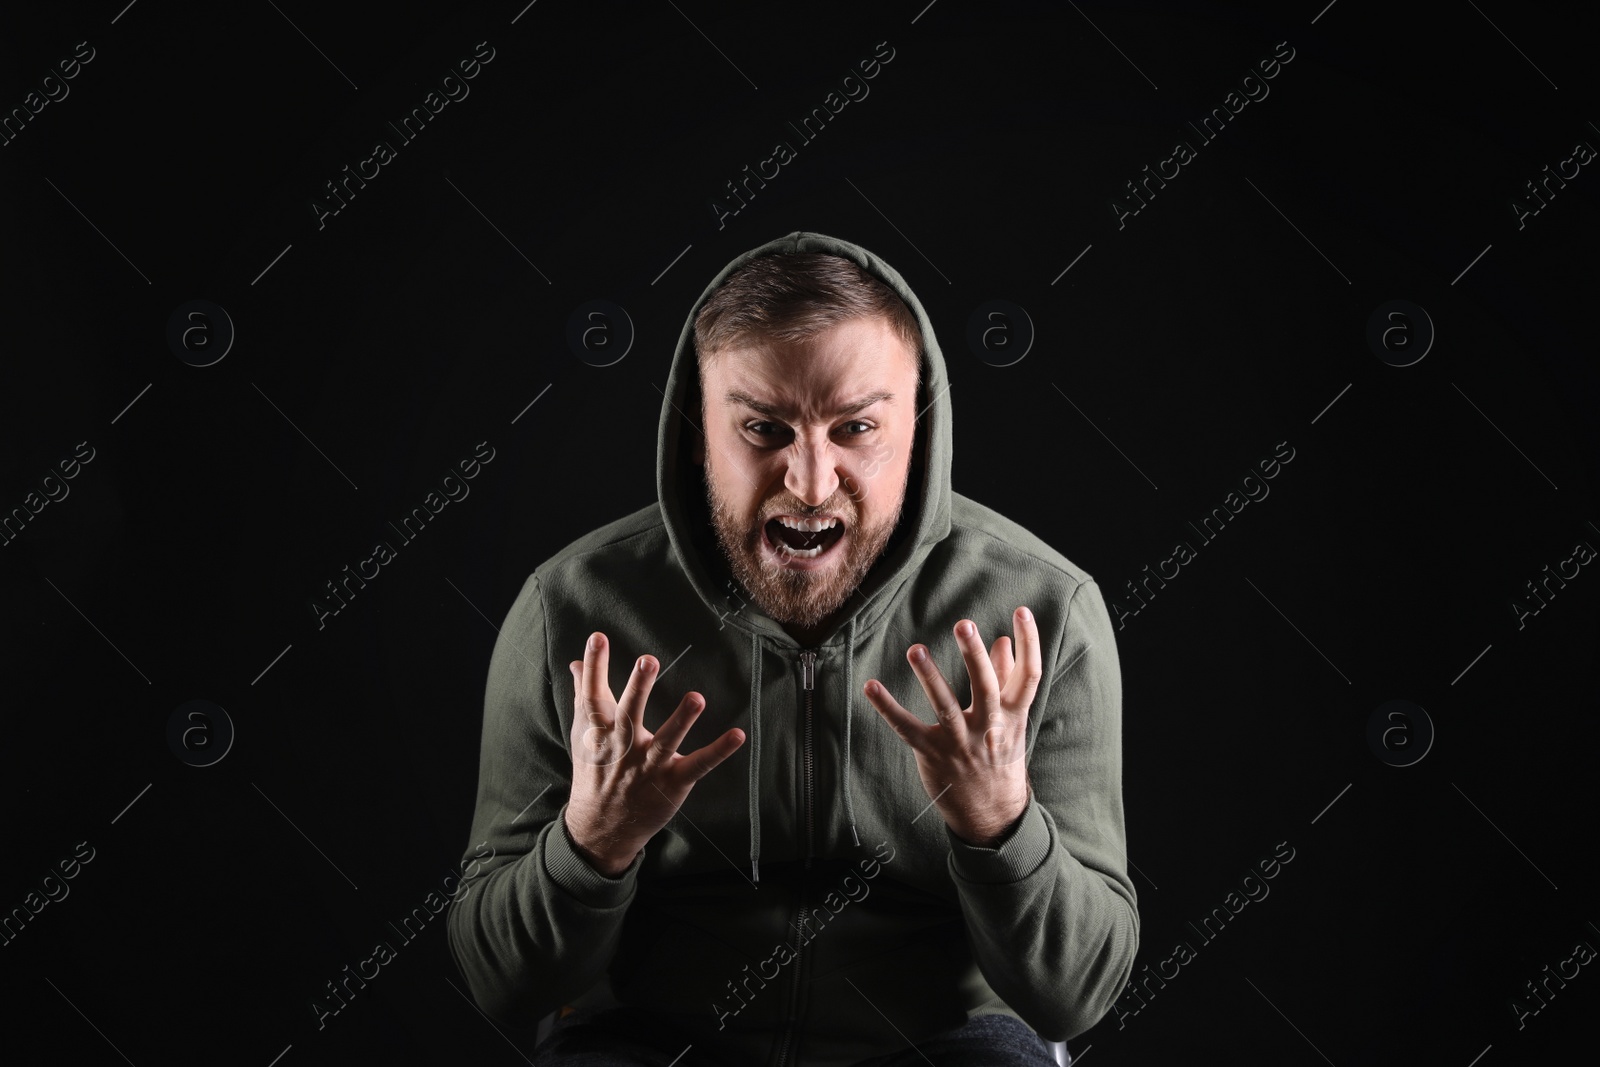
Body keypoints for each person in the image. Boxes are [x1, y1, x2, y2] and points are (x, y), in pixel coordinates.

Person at [448, 231, 1138, 1066]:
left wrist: (1001, 826)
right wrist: (592, 843)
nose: (810, 481)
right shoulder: (572, 611)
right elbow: (500, 985)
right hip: (652, 1038)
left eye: (856, 428)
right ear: (698, 432)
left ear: (917, 426)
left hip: (942, 1043)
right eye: (763, 428)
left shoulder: (1043, 612)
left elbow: (1077, 992)